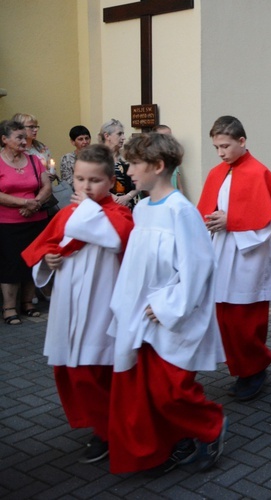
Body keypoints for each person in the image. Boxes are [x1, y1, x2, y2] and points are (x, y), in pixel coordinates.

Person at [107, 132, 226, 475]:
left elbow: (198, 267)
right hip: (141, 315)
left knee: (172, 390)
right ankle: (173, 441)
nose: (128, 171)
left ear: (158, 166)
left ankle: (211, 428)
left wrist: (167, 306)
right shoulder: (142, 209)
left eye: (133, 164)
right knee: (148, 389)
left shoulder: (180, 211)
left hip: (171, 317)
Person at [21, 144, 134, 464]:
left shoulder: (118, 213)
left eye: (94, 180)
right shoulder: (70, 213)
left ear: (111, 182)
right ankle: (101, 426)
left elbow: (117, 239)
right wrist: (49, 258)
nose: (85, 187)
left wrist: (87, 210)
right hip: (70, 301)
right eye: (80, 179)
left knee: (96, 367)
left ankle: (110, 429)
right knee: (72, 367)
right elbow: (45, 248)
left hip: (101, 301)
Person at [196, 116, 271, 401]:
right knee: (225, 317)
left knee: (246, 319)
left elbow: (269, 221)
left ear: (242, 141)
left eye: (225, 145)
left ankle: (255, 369)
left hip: (249, 256)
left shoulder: (259, 172)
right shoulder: (217, 172)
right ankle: (242, 369)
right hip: (222, 251)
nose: (221, 152)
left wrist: (231, 220)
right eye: (216, 147)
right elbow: (207, 211)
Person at [0, 119, 51, 325]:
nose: (24, 141)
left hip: (36, 220)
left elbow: (46, 185)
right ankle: (9, 307)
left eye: (25, 136)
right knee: (10, 264)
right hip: (8, 223)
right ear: (4, 139)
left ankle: (28, 303)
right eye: (19, 137)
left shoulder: (33, 160)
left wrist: (35, 203)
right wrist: (24, 202)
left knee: (34, 261)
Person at [99, 119, 137, 208]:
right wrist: (116, 199)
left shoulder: (127, 156)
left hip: (127, 206)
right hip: (106, 206)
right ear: (107, 136)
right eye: (119, 134)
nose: (123, 137)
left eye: (123, 134)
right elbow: (94, 183)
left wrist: (127, 197)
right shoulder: (97, 157)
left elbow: (140, 181)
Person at [154, 124, 184, 192]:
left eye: (169, 136)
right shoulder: (151, 160)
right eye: (163, 137)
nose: (168, 140)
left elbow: (179, 186)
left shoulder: (173, 158)